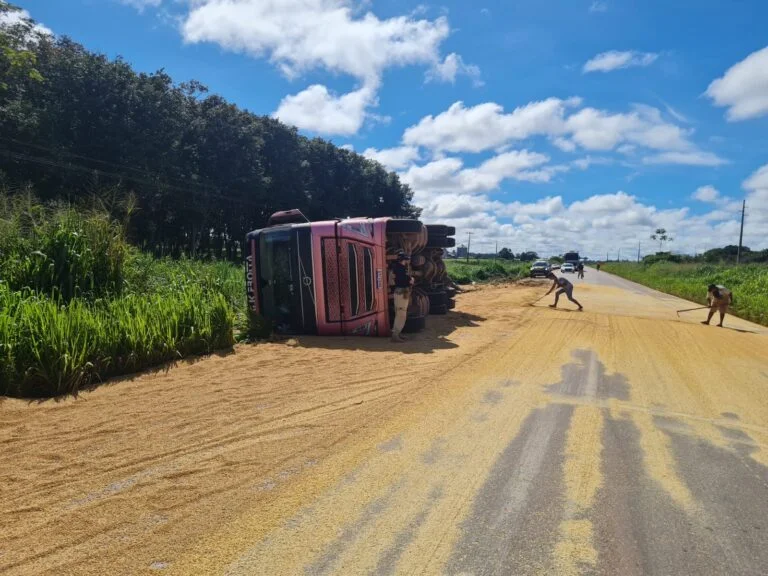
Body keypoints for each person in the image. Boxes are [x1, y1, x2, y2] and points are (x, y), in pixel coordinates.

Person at [389, 250, 413, 342]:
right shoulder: (401, 269)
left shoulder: (397, 268)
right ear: (404, 260)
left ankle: (397, 333)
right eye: (406, 259)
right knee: (401, 314)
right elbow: (403, 280)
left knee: (399, 314)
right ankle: (395, 335)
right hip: (402, 292)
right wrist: (410, 281)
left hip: (399, 292)